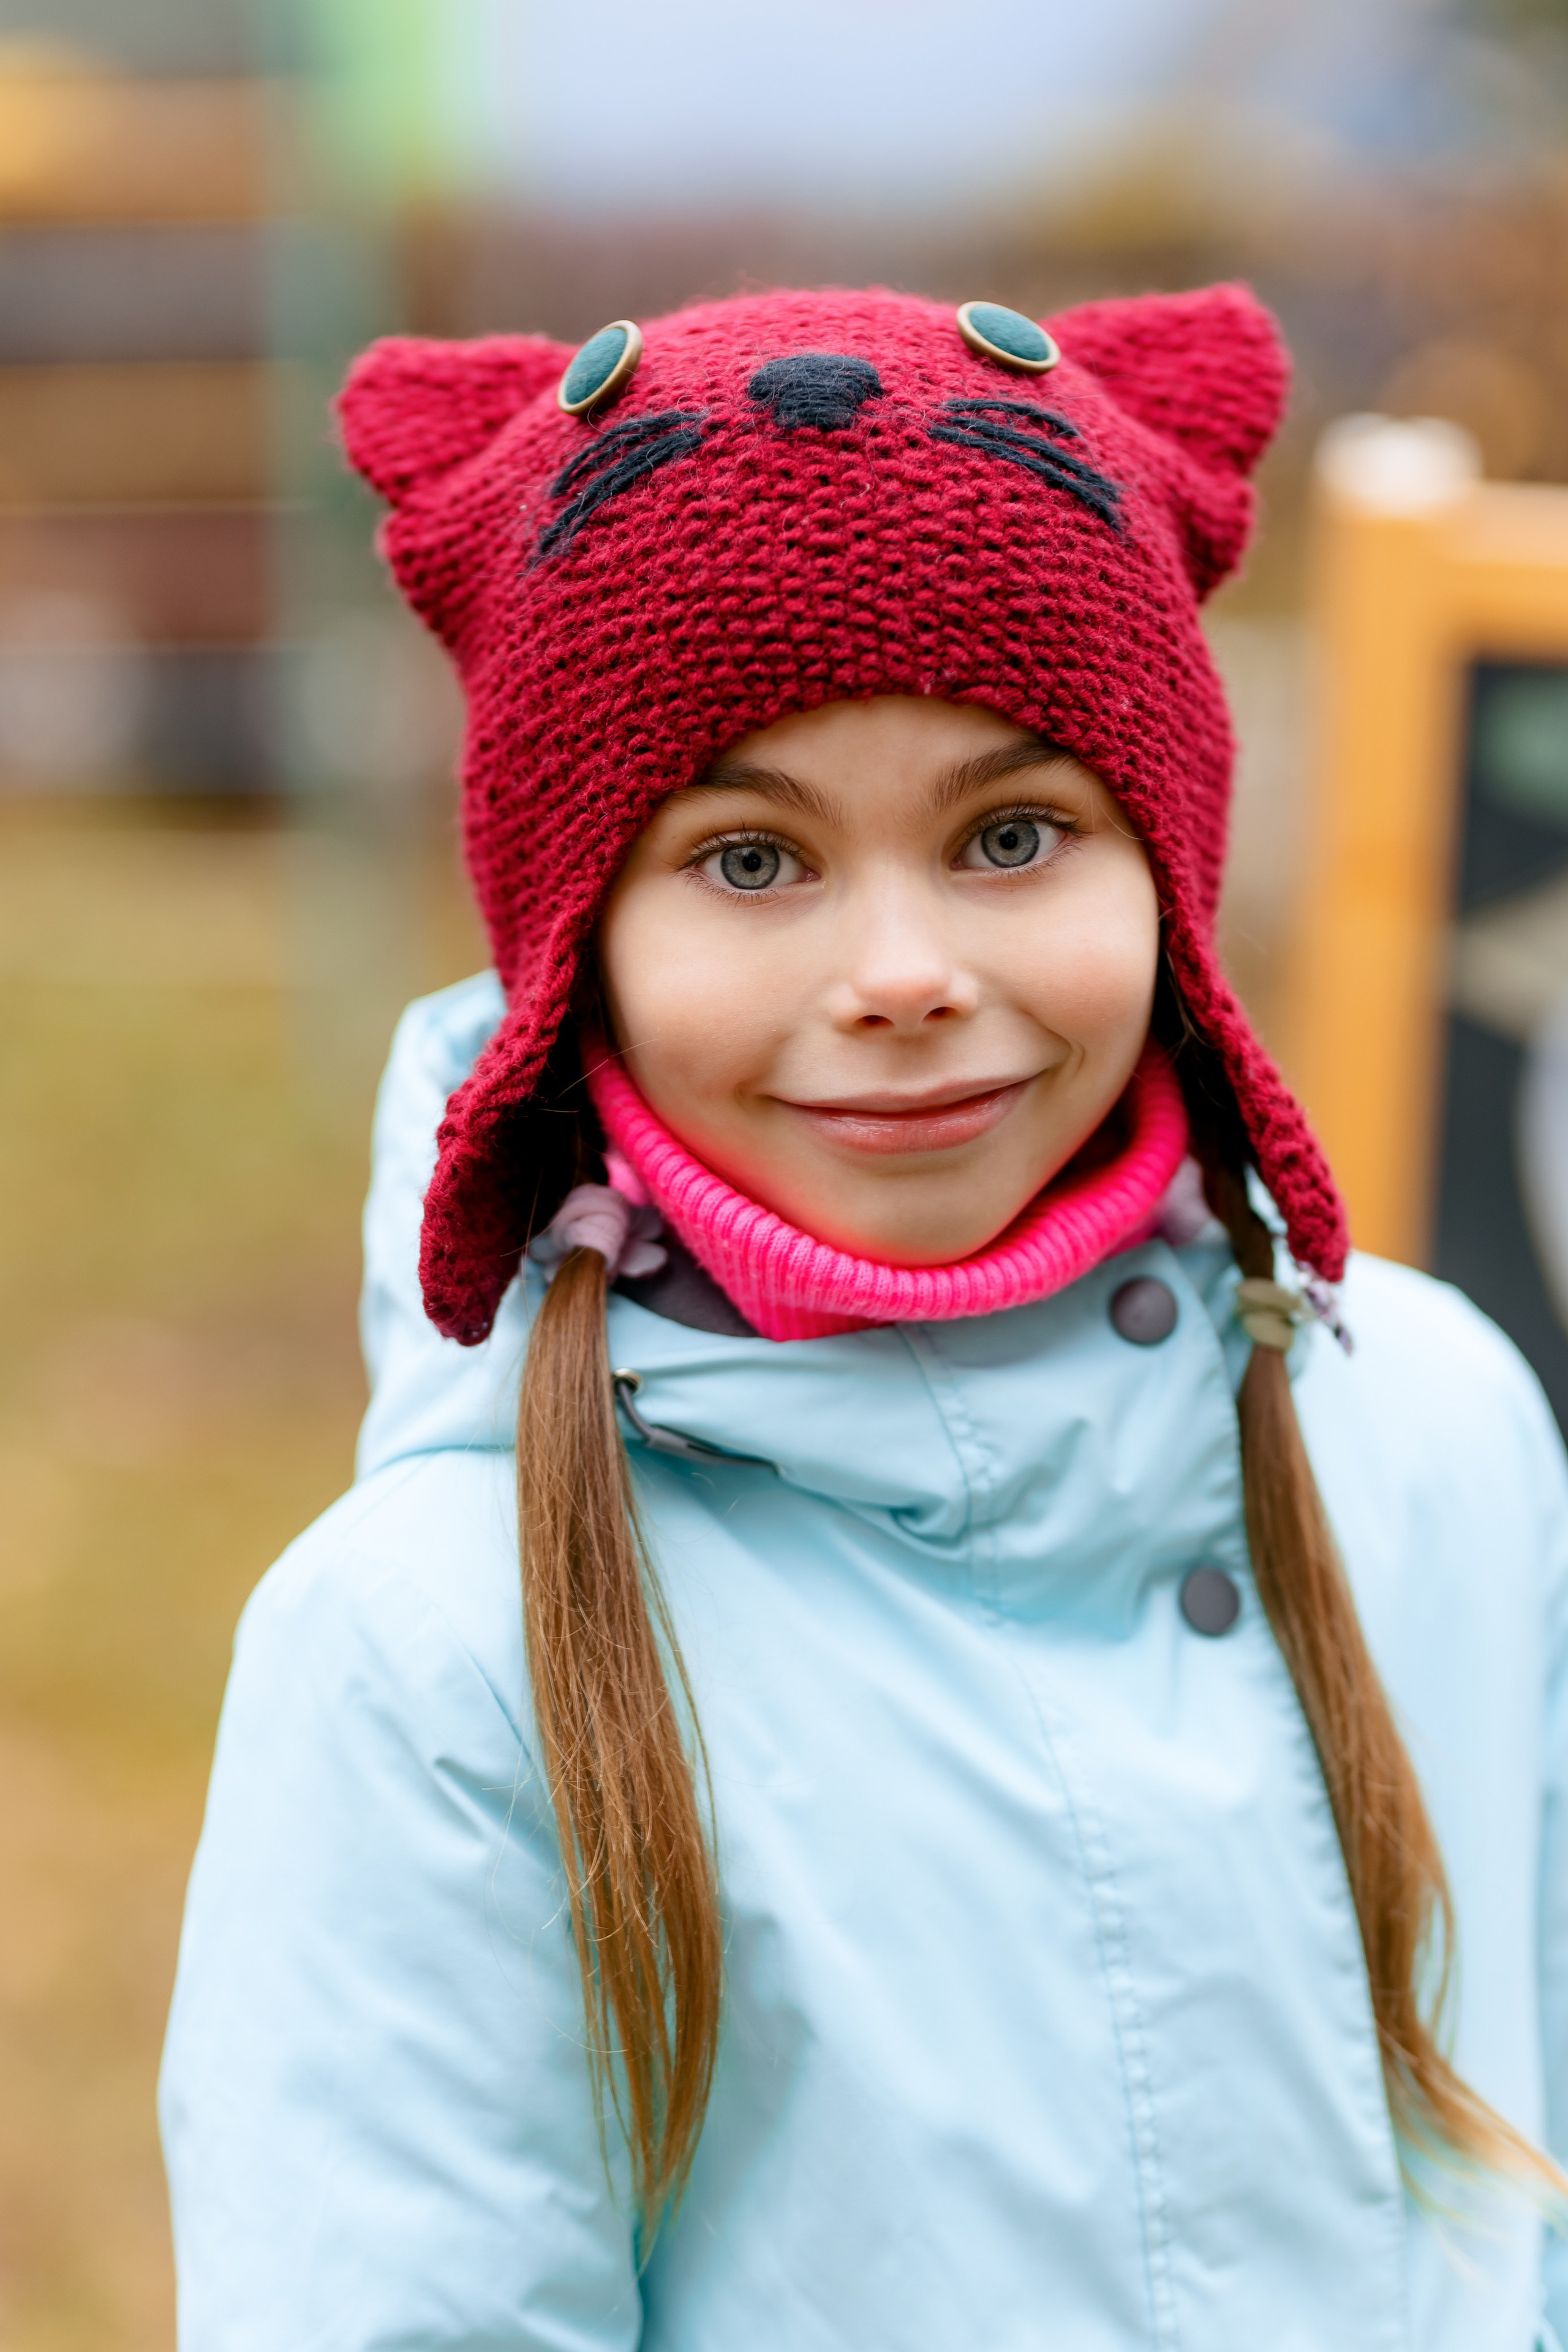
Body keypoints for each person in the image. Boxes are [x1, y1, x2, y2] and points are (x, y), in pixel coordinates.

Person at [159, 285, 1568, 2351]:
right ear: (580, 954)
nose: (902, 970)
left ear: (1166, 873)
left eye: (1014, 835)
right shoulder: (433, 1647)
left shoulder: (1435, 1420)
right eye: (751, 858)